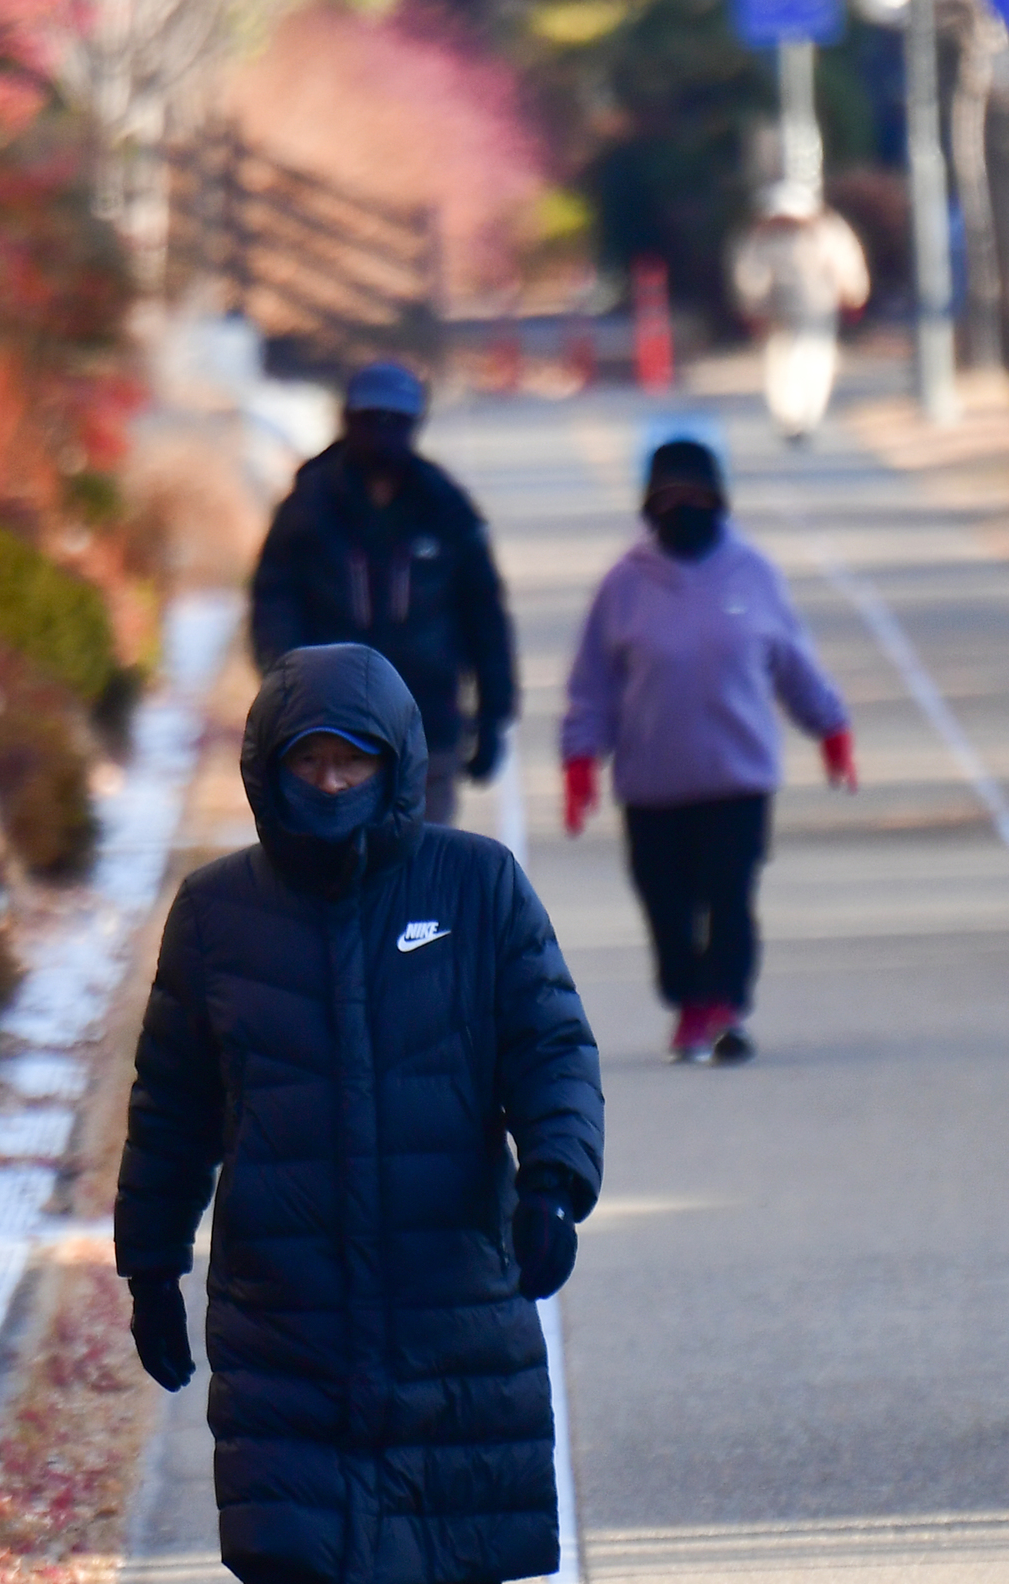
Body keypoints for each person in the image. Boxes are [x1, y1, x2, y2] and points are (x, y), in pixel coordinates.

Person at [116, 642, 603, 1584]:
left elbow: (550, 1044)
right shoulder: (218, 913)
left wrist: (554, 1183)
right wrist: (151, 1260)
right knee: (286, 1572)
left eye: (352, 760)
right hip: (285, 1301)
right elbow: (171, 1105)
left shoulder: (477, 887)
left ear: (395, 771)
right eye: (305, 762)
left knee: (462, 1570)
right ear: (268, 773)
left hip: (455, 1292)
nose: (328, 782)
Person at [559, 438, 856, 1065]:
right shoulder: (623, 585)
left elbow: (793, 663)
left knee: (730, 893)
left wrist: (830, 729)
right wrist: (581, 761)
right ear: (649, 507)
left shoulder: (753, 572)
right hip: (651, 784)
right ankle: (686, 1002)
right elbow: (592, 684)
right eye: (670, 499)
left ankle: (724, 1008)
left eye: (696, 497)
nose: (684, 509)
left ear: (719, 502)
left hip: (737, 778)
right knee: (665, 903)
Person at [250, 361, 517, 825]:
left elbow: (483, 613)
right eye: (370, 419)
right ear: (349, 421)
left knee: (422, 866)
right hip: (330, 729)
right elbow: (274, 598)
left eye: (396, 422)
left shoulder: (444, 508)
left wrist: (493, 715)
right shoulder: (310, 508)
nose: (382, 434)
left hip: (427, 721)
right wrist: (287, 685)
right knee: (341, 872)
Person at [730, 183, 869, 444]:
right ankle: (790, 417)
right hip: (780, 309)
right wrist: (752, 303)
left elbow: (843, 260)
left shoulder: (824, 230)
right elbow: (750, 271)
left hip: (815, 305)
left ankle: (805, 416)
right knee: (782, 362)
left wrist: (853, 291)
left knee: (813, 358)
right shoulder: (762, 234)